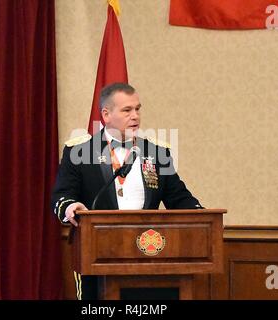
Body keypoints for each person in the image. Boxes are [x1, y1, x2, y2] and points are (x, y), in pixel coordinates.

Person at [51, 82, 203, 300]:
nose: (136, 116)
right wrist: (70, 207)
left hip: (150, 255)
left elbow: (178, 197)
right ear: (106, 114)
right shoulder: (79, 152)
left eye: (138, 109)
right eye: (127, 110)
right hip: (97, 255)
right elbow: (61, 196)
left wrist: (202, 217)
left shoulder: (157, 152)